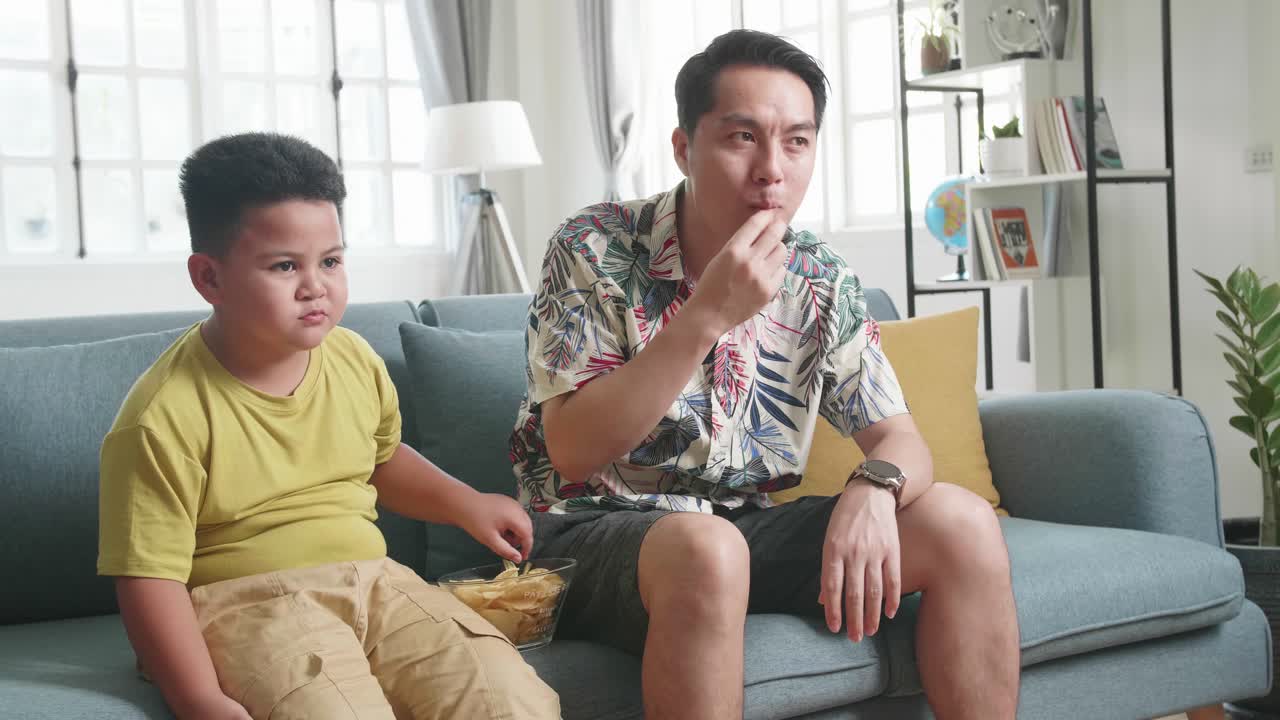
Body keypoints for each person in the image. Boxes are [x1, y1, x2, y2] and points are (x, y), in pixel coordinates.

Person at [510, 30, 1019, 720]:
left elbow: (901, 439)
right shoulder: (593, 246)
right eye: (742, 137)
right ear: (684, 147)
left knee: (961, 522)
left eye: (797, 141)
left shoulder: (816, 273)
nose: (772, 170)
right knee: (708, 549)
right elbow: (571, 449)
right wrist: (707, 316)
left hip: (741, 531)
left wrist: (873, 491)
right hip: (587, 536)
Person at [98, 132, 560, 720]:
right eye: (285, 266)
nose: (316, 286)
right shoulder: (161, 416)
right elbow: (147, 580)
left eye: (332, 261)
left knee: (506, 697)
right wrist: (197, 698)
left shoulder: (352, 358)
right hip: (247, 604)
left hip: (378, 582)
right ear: (209, 278)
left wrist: (466, 503)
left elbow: (381, 459)